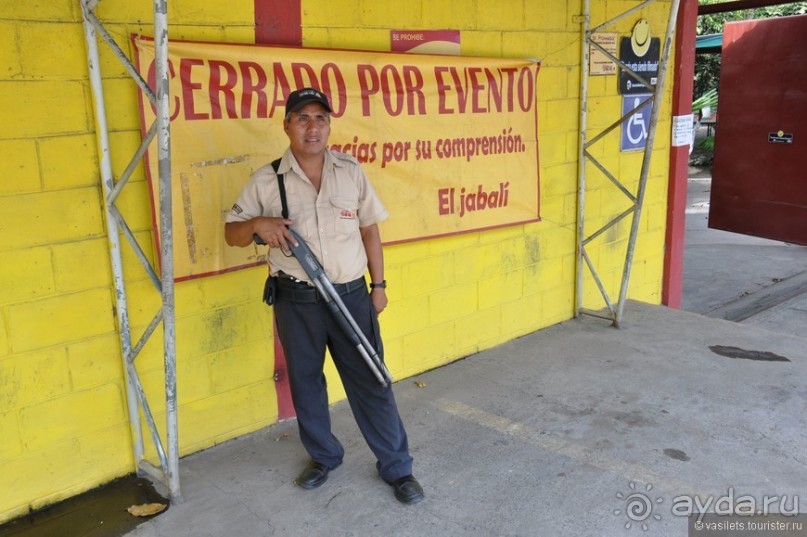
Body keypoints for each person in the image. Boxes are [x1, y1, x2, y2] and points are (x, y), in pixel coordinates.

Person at [224, 87, 424, 505]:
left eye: (320, 118)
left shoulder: (350, 171)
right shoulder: (267, 178)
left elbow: (370, 229)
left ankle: (397, 467)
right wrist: (259, 223)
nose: (312, 127)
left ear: (329, 126)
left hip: (351, 296)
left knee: (371, 380)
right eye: (302, 118)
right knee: (307, 384)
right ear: (287, 126)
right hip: (296, 301)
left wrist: (379, 287)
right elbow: (233, 233)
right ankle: (325, 457)